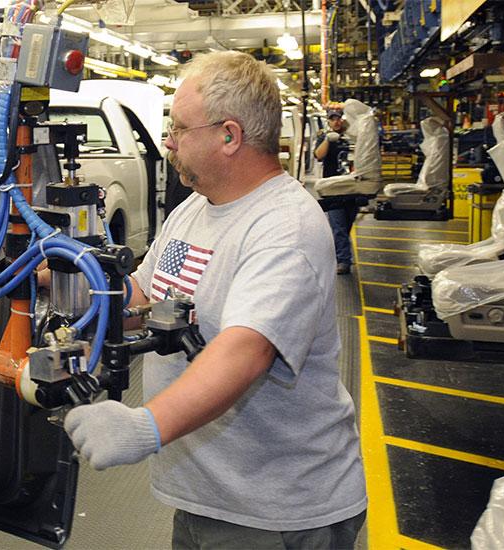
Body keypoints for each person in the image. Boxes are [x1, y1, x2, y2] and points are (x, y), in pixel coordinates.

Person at [61, 51, 366, 550]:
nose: (169, 141)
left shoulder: (284, 225)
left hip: (276, 510)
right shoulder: (195, 210)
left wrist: (146, 426)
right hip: (207, 496)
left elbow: (246, 350)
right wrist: (65, 282)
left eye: (180, 128)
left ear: (229, 135)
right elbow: (142, 294)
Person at [315, 112, 357, 274]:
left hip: (352, 188)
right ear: (329, 122)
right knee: (338, 226)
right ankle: (344, 260)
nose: (337, 121)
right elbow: (318, 155)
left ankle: (340, 253)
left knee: (345, 226)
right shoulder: (325, 137)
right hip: (333, 189)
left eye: (339, 118)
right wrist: (327, 139)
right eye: (333, 119)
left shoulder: (352, 136)